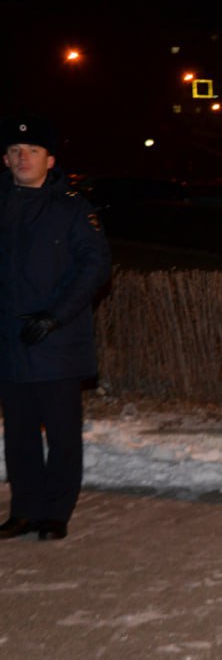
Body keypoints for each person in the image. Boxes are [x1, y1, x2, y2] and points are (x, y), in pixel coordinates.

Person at [0, 116, 111, 541]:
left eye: (31, 151)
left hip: (56, 343)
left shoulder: (72, 207)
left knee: (62, 435)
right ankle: (24, 509)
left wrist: (55, 316)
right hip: (10, 345)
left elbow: (95, 266)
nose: (22, 157)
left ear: (50, 159)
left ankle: (55, 512)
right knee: (19, 434)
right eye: (15, 151)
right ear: (4, 159)